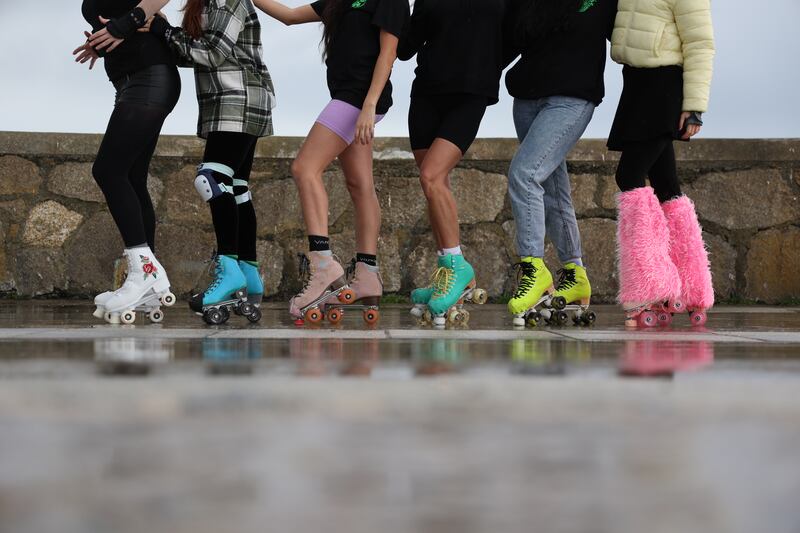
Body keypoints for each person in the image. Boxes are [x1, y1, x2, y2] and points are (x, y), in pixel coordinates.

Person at [253, 0, 409, 324]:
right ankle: (367, 273)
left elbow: (387, 53)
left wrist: (369, 105)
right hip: (346, 96)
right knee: (359, 184)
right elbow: (291, 16)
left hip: (357, 99)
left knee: (304, 168)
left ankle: (323, 264)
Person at [142, 0, 276, 324]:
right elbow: (193, 53)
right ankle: (248, 270)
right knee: (236, 187)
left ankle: (229, 269)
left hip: (239, 98)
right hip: (226, 102)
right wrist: (162, 34)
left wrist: (162, 29)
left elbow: (213, 52)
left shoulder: (231, 1)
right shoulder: (204, 6)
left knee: (211, 179)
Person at [502, 0, 617, 327]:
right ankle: (574, 272)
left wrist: (677, 99)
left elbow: (634, 37)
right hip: (526, 99)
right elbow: (504, 41)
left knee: (525, 176)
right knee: (552, 186)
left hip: (572, 99)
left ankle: (533, 269)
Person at [398, 0, 506, 326]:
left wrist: (487, 62)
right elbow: (405, 47)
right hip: (427, 95)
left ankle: (457, 265)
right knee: (436, 185)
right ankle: (449, 273)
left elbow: (515, 35)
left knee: (431, 176)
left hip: (471, 92)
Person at [608, 0, 715, 327]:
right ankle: (693, 287)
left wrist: (694, 107)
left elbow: (700, 43)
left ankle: (651, 284)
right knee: (668, 187)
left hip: (665, 85)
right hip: (637, 84)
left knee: (629, 176)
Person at [75, 0, 181, 324]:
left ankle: (145, 271)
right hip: (131, 82)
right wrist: (101, 42)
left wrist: (128, 22)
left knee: (107, 170)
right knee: (132, 178)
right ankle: (146, 279)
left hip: (149, 78)